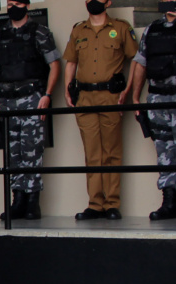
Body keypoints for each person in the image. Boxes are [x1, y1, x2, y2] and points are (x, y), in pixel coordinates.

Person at [63, 0, 138, 221]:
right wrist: (68, 90)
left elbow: (136, 59)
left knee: (112, 153)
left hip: (110, 96)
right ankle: (95, 204)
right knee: (92, 153)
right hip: (85, 98)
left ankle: (112, 203)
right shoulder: (78, 29)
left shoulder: (121, 28)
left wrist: (127, 89)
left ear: (109, 2)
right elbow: (71, 62)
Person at [0, 0, 61, 221]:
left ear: (27, 5)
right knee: (13, 154)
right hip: (8, 102)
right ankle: (17, 200)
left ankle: (32, 202)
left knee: (32, 151)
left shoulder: (39, 32)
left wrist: (47, 95)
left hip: (31, 99)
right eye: (9, 3)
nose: (13, 7)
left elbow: (54, 65)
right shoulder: (0, 34)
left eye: (17, 3)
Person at [130, 2, 176, 220]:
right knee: (164, 153)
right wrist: (136, 98)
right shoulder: (152, 29)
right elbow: (141, 63)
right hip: (158, 99)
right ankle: (169, 202)